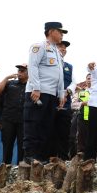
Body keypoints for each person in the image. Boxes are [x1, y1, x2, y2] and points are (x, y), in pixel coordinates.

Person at [23, 22, 66, 164]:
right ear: (52, 31)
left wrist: (61, 94)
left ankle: (41, 156)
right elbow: (33, 66)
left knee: (46, 125)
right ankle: (30, 155)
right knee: (33, 123)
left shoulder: (57, 52)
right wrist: (36, 87)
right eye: (60, 32)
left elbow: (59, 75)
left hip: (52, 94)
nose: (62, 35)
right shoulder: (39, 46)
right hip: (39, 92)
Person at [0, 63, 28, 164]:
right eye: (19, 70)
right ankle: (5, 167)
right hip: (8, 119)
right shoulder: (10, 83)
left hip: (23, 120)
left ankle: (19, 169)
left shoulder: (32, 86)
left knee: (22, 146)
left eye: (22, 71)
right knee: (7, 145)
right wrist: (6, 78)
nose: (19, 72)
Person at [50, 40, 76, 160]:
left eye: (65, 48)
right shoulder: (49, 63)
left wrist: (67, 92)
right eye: (60, 47)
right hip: (51, 100)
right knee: (50, 129)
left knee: (64, 131)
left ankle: (63, 159)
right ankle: (48, 157)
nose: (63, 49)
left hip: (65, 102)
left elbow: (73, 82)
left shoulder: (69, 66)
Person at [71, 73, 91, 154]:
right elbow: (73, 104)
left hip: (96, 117)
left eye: (91, 78)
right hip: (84, 115)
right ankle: (81, 154)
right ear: (86, 80)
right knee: (81, 136)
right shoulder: (82, 92)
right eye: (88, 78)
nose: (90, 80)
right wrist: (82, 104)